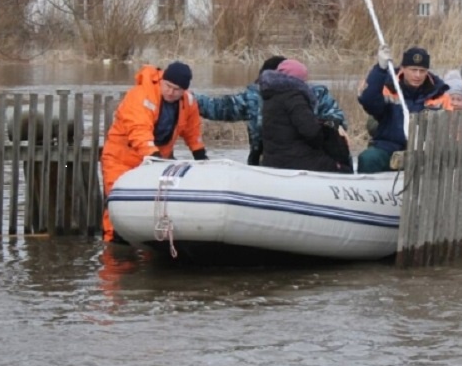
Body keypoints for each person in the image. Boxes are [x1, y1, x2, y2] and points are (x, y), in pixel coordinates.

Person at [100, 61, 207, 242]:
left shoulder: (188, 102)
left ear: (184, 90)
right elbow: (138, 130)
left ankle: (147, 246)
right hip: (122, 158)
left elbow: (192, 130)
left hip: (154, 162)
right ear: (162, 80)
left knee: (151, 207)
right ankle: (113, 247)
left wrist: (199, 153)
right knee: (116, 204)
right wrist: (154, 155)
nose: (171, 92)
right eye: (168, 86)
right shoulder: (141, 95)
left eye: (177, 90)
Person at [195, 55, 347, 165]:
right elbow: (218, 107)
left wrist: (331, 126)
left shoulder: (316, 95)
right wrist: (186, 97)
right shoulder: (254, 98)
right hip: (266, 162)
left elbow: (336, 118)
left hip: (307, 160)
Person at [357, 45, 452, 174]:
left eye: (422, 71)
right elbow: (369, 101)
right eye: (413, 70)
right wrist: (380, 68)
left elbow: (450, 129)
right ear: (403, 69)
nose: (417, 75)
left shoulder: (440, 94)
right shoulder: (388, 86)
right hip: (388, 146)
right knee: (368, 159)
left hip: (425, 152)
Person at [259, 59, 352, 173]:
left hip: (272, 160)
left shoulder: (270, 98)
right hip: (295, 161)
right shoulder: (294, 98)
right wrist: (328, 134)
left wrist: (329, 123)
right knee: (342, 169)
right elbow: (311, 131)